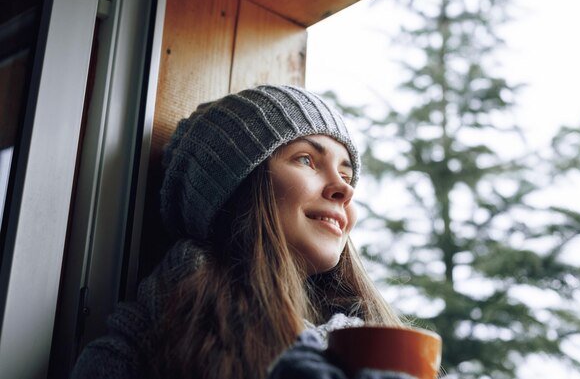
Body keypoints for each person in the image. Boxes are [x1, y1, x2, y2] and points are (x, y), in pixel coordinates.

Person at [72, 85, 410, 379]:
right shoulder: (133, 354)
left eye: (347, 176)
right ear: (235, 187)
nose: (343, 189)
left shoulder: (376, 344)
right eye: (306, 160)